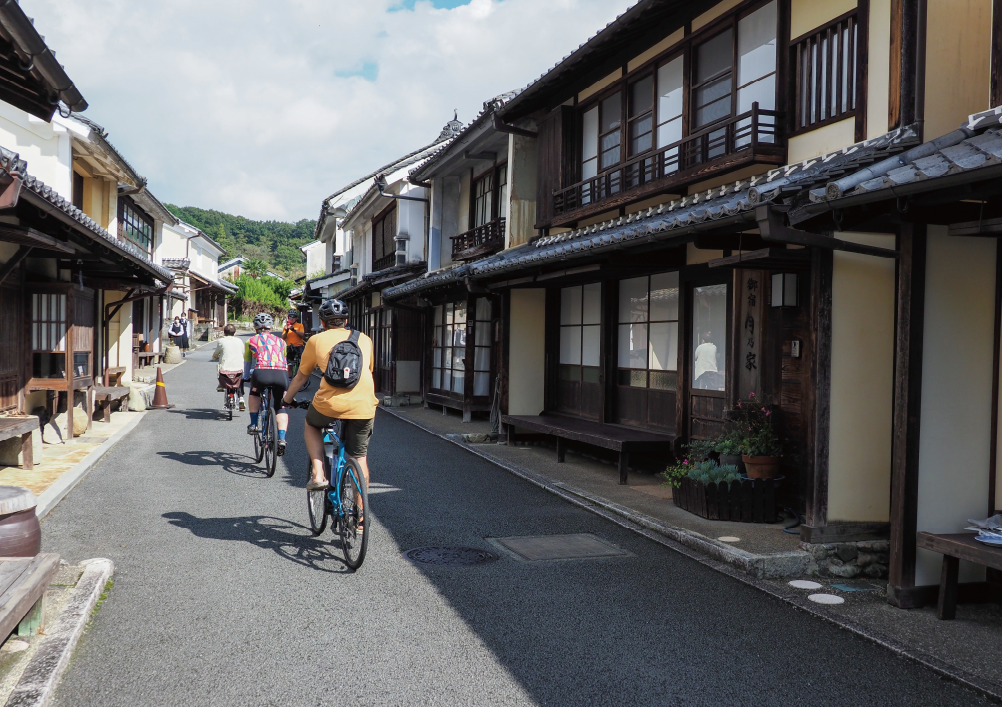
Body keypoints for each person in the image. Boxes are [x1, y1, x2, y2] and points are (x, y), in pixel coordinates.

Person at [283, 299, 377, 494]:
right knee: (359, 458)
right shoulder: (365, 339)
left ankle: (318, 474)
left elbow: (301, 376)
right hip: (364, 403)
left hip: (329, 403)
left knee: (312, 424)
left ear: (323, 322)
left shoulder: (316, 340)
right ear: (346, 320)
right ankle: (360, 520)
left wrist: (287, 400)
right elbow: (368, 370)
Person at [244, 313, 290, 455]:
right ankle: (281, 438)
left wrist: (246, 377)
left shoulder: (250, 340)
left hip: (261, 374)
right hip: (281, 375)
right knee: (280, 405)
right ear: (270, 327)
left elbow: (247, 362)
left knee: (254, 392)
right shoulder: (282, 342)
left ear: (255, 327)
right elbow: (284, 360)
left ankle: (253, 424)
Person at [212, 323, 246, 410]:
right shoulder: (239, 341)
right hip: (238, 369)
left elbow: (216, 353)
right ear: (234, 333)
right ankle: (241, 398)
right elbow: (243, 353)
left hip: (225, 372)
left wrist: (214, 357)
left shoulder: (221, 341)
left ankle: (221, 384)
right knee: (239, 381)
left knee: (220, 366)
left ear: (224, 333)